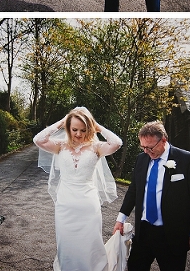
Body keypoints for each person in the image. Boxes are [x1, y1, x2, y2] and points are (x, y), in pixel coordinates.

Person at [34, 107, 123, 271]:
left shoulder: (96, 147)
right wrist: (61, 123)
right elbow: (38, 140)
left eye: (83, 130)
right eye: (74, 129)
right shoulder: (60, 146)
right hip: (65, 206)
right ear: (68, 128)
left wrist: (98, 127)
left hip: (88, 206)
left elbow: (117, 143)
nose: (78, 134)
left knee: (90, 243)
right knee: (66, 242)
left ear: (89, 129)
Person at [113, 121, 190, 271]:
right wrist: (121, 219)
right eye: (143, 147)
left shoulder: (187, 160)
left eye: (150, 147)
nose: (146, 151)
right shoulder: (141, 159)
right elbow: (134, 190)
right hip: (143, 232)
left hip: (172, 235)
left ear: (164, 140)